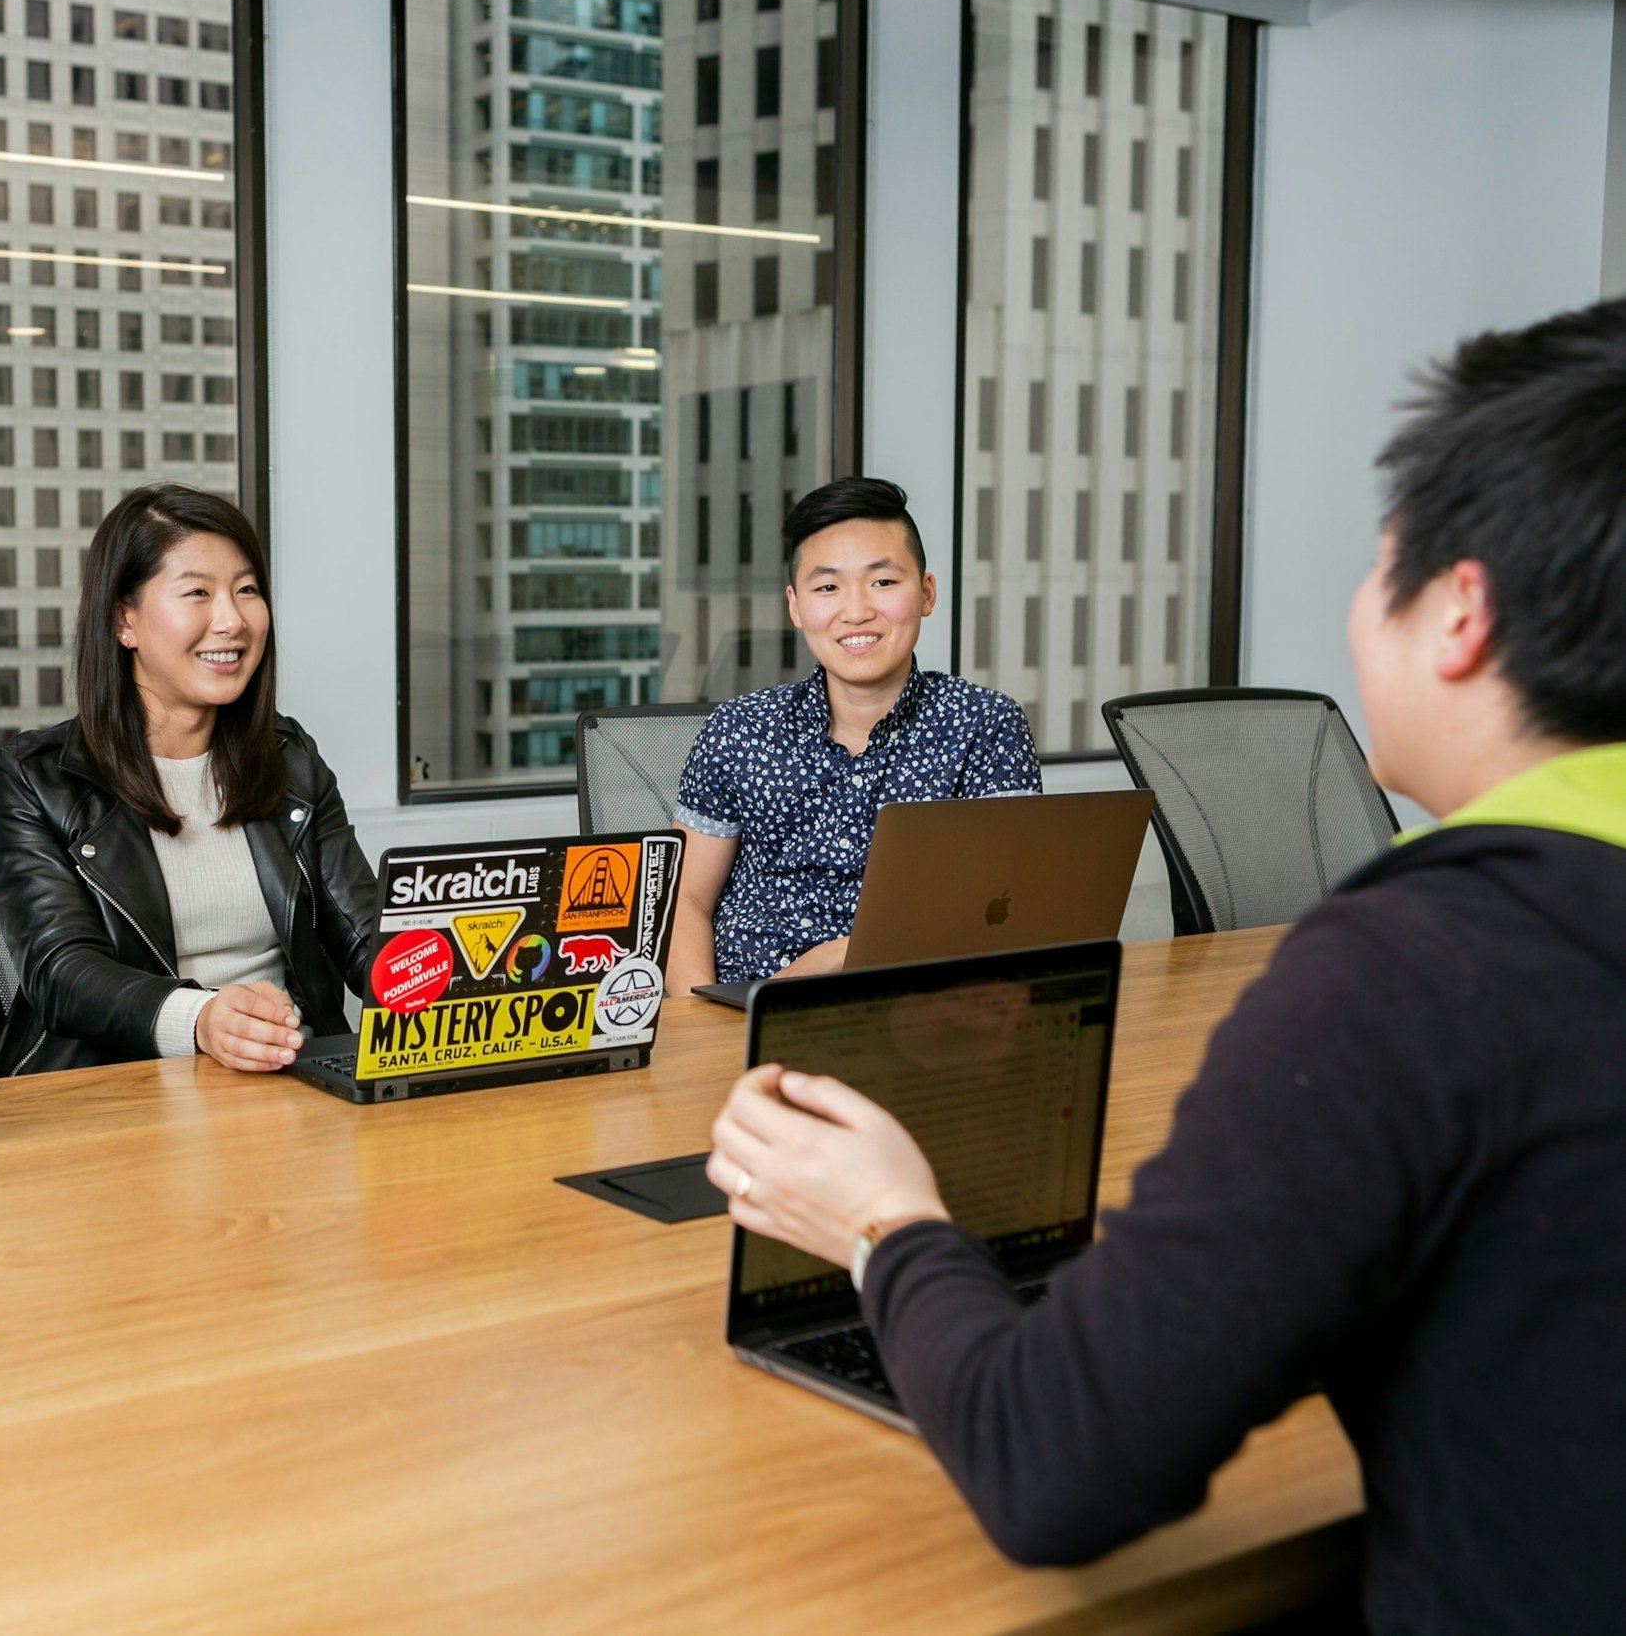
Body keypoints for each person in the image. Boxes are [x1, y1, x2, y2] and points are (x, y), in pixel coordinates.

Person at [705, 300, 1626, 1629]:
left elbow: (1057, 1459)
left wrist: (884, 1219)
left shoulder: (1417, 969)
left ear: (1458, 612)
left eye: (1381, 566)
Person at [0, 482, 383, 1077]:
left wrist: (449, 979)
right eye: (197, 592)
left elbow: (362, 928)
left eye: (247, 590)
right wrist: (202, 1019)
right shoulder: (29, 780)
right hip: (114, 1093)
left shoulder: (289, 758)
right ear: (124, 621)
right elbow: (60, 973)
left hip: (286, 1078)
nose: (232, 620)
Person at [667, 478, 1038, 992]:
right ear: (796, 607)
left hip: (915, 1013)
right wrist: (704, 1023)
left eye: (883, 582)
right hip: (739, 1012)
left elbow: (1004, 907)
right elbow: (683, 899)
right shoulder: (738, 729)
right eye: (827, 587)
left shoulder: (984, 725)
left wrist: (845, 956)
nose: (857, 610)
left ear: (926, 593)